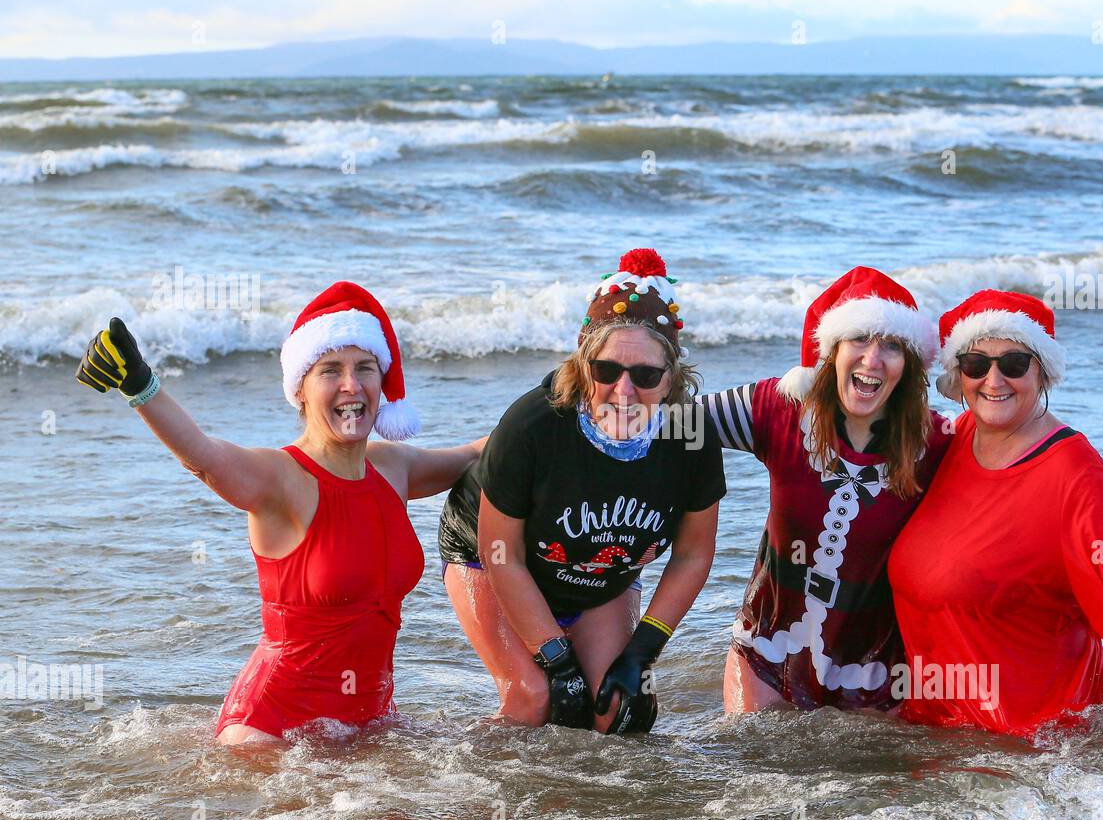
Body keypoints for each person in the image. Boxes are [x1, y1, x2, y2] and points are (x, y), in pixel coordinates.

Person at [76, 282, 483, 745]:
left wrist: (571, 398)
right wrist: (141, 386)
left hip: (367, 725)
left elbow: (477, 455)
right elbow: (203, 457)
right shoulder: (280, 477)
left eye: (364, 367)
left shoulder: (394, 467)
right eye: (330, 370)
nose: (351, 384)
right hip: (272, 732)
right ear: (302, 390)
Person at [888, 289, 1103, 737]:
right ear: (958, 377)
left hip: (1031, 749)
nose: (994, 381)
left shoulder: (1073, 472)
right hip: (936, 734)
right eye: (977, 365)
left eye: (1014, 364)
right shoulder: (948, 441)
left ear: (1043, 373)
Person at [438, 249, 725, 734]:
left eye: (647, 376)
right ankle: (474, 798)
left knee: (617, 710)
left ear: (672, 376)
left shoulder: (690, 435)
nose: (625, 391)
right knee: (534, 698)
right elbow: (501, 552)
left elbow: (692, 556)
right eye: (607, 371)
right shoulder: (532, 424)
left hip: (602, 574)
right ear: (582, 364)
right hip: (494, 559)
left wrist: (643, 651)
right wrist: (555, 659)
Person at [698, 267, 950, 712]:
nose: (872, 360)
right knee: (749, 774)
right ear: (830, 351)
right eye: (858, 339)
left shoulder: (938, 443)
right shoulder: (779, 411)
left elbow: (1013, 475)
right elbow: (666, 423)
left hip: (876, 677)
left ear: (909, 366)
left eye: (891, 345)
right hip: (766, 656)